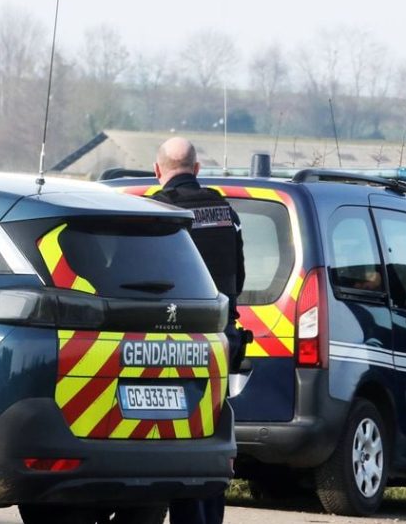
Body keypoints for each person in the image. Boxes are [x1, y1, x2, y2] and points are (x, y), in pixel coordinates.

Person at [150, 137, 246, 524]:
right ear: (197, 169)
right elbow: (238, 278)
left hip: (170, 339)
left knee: (176, 436)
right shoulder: (225, 211)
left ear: (158, 170)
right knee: (213, 433)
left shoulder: (156, 209)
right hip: (220, 338)